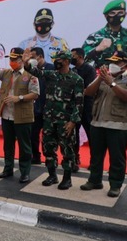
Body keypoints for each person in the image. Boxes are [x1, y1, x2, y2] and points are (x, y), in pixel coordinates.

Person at [80, 51, 127, 197]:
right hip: (97, 123)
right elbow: (87, 92)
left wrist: (111, 83)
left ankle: (115, 185)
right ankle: (94, 180)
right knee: (96, 156)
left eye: (116, 62)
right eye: (110, 62)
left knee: (117, 158)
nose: (111, 65)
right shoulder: (103, 77)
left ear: (125, 64)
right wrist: (100, 79)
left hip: (118, 125)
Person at [24, 50, 84, 189]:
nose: (57, 61)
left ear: (67, 61)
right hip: (49, 120)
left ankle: (67, 178)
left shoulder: (77, 80)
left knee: (67, 151)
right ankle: (52, 175)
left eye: (60, 59)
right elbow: (34, 71)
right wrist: (26, 62)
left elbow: (79, 103)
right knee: (48, 149)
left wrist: (73, 122)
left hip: (65, 122)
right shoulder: (51, 75)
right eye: (55, 59)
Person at [0, 47, 39, 183]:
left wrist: (19, 98)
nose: (12, 61)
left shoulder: (30, 76)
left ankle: (25, 172)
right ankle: (8, 168)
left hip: (22, 116)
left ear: (22, 60)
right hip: (6, 115)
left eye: (15, 59)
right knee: (8, 145)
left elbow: (35, 94)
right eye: (11, 59)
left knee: (24, 146)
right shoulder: (6, 73)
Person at [82, 0, 127, 69]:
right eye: (112, 13)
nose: (116, 16)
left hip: (125, 77)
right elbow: (82, 60)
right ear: (106, 16)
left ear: (125, 14)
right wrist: (97, 50)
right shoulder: (95, 37)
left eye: (120, 13)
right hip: (102, 77)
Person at [70, 47, 97, 169]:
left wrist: (76, 94)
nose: (71, 58)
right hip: (74, 106)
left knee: (91, 134)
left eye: (73, 56)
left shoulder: (89, 69)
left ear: (80, 57)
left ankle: (94, 161)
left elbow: (89, 88)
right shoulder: (73, 70)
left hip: (86, 106)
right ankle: (74, 159)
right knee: (73, 134)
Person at [28, 47, 54, 165]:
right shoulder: (31, 70)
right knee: (33, 134)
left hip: (49, 108)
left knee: (48, 136)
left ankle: (49, 158)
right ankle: (35, 156)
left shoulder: (51, 68)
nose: (31, 59)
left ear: (40, 56)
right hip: (35, 108)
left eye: (33, 57)